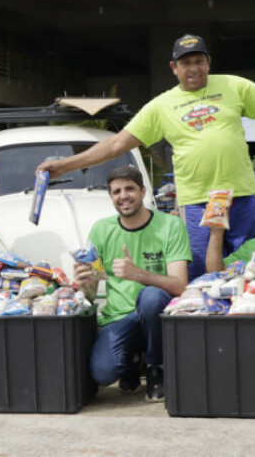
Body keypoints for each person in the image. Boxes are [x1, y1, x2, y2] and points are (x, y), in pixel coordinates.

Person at [38, 33, 255, 280]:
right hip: (198, 205)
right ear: (173, 68)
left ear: (208, 62)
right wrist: (64, 165)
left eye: (199, 60)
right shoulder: (161, 105)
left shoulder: (232, 85)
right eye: (185, 62)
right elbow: (114, 145)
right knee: (206, 277)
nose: (193, 67)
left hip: (244, 199)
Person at [74, 165, 191, 403]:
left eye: (130, 189)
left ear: (143, 191)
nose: (123, 196)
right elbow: (90, 293)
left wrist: (139, 274)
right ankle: (131, 360)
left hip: (156, 314)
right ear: (111, 197)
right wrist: (83, 282)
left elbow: (180, 286)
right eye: (116, 191)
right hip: (118, 317)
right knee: (103, 373)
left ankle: (155, 366)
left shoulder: (171, 225)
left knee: (150, 297)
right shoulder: (101, 229)